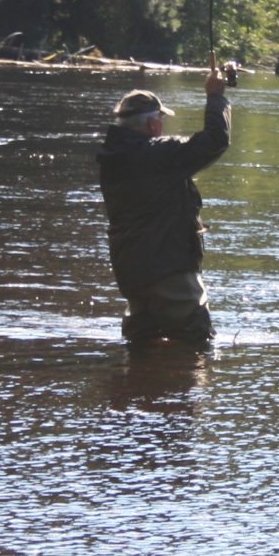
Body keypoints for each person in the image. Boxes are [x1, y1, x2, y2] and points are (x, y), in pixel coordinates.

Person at [97, 53, 232, 345]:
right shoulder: (157, 155)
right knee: (197, 347)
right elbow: (215, 141)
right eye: (160, 119)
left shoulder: (111, 159)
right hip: (169, 274)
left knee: (141, 350)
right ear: (152, 125)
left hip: (132, 275)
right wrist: (216, 97)